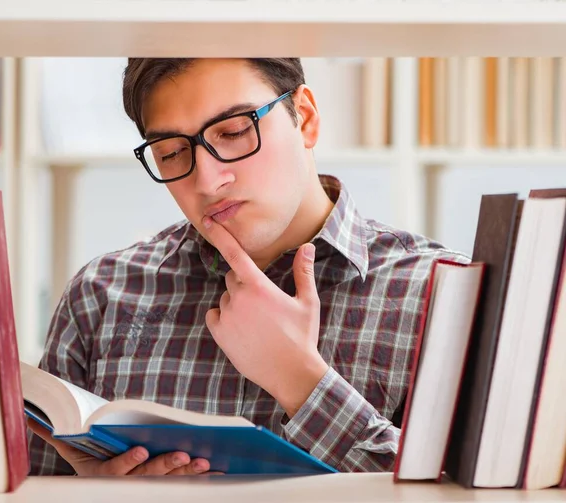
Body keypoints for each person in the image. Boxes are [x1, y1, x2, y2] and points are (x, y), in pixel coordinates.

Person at [27, 57, 469, 476]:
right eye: (171, 153)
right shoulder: (101, 294)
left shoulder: (446, 292)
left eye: (235, 131)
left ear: (306, 118)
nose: (207, 181)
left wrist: (302, 383)